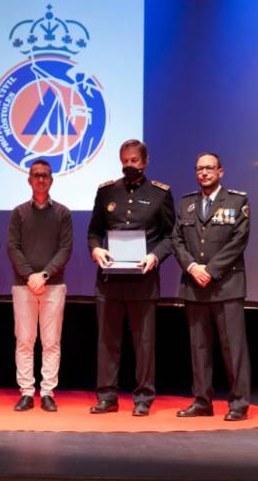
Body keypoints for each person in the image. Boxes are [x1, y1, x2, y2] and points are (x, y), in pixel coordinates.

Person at [87, 139, 175, 416]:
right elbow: (94, 231)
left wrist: (155, 256)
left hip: (143, 281)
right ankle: (107, 397)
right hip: (109, 281)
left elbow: (170, 236)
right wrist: (96, 249)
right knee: (107, 342)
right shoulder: (106, 192)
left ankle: (143, 398)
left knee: (144, 344)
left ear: (145, 162)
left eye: (134, 160)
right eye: (125, 161)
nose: (129, 165)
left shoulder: (160, 193)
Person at [172, 152, 252, 421]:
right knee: (199, 349)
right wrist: (193, 267)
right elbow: (176, 240)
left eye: (209, 168)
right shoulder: (187, 203)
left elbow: (239, 240)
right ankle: (202, 401)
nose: (203, 173)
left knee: (233, 349)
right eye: (199, 169)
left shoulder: (237, 201)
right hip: (194, 285)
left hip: (226, 286)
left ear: (220, 171)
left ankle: (239, 404)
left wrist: (211, 270)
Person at [7, 159, 73, 412]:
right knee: (25, 341)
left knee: (51, 342)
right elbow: (13, 248)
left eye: (45, 175)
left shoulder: (63, 213)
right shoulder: (18, 213)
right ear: (29, 180)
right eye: (36, 175)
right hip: (23, 286)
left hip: (53, 285)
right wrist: (30, 277)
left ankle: (47, 392)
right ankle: (26, 392)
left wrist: (43, 275)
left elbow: (65, 249)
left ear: (51, 180)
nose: (41, 179)